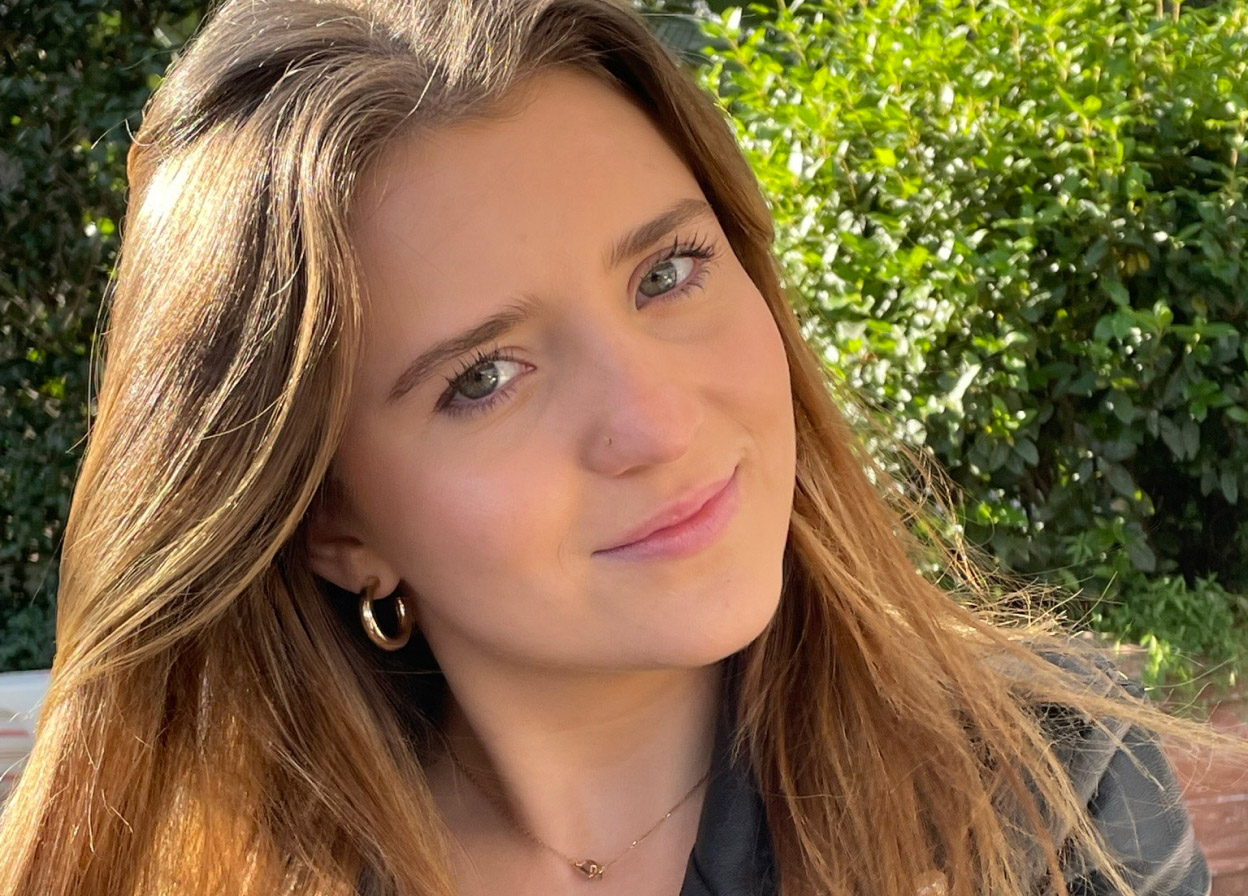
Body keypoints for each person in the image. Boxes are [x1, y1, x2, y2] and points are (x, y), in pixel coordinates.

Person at [0, 0, 1228, 894]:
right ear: (336, 525)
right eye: (483, 377)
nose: (657, 423)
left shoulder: (1045, 787)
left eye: (668, 271)